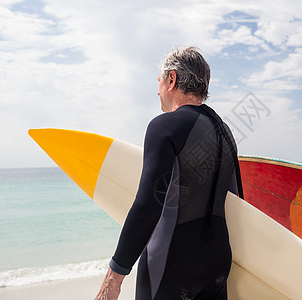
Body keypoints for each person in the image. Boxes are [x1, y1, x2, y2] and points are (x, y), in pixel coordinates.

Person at [95, 47, 242, 300]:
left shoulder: (164, 126)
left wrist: (114, 276)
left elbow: (148, 205)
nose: (158, 90)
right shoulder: (224, 132)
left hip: (171, 267)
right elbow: (237, 200)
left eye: (160, 81)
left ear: (171, 79)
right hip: (218, 263)